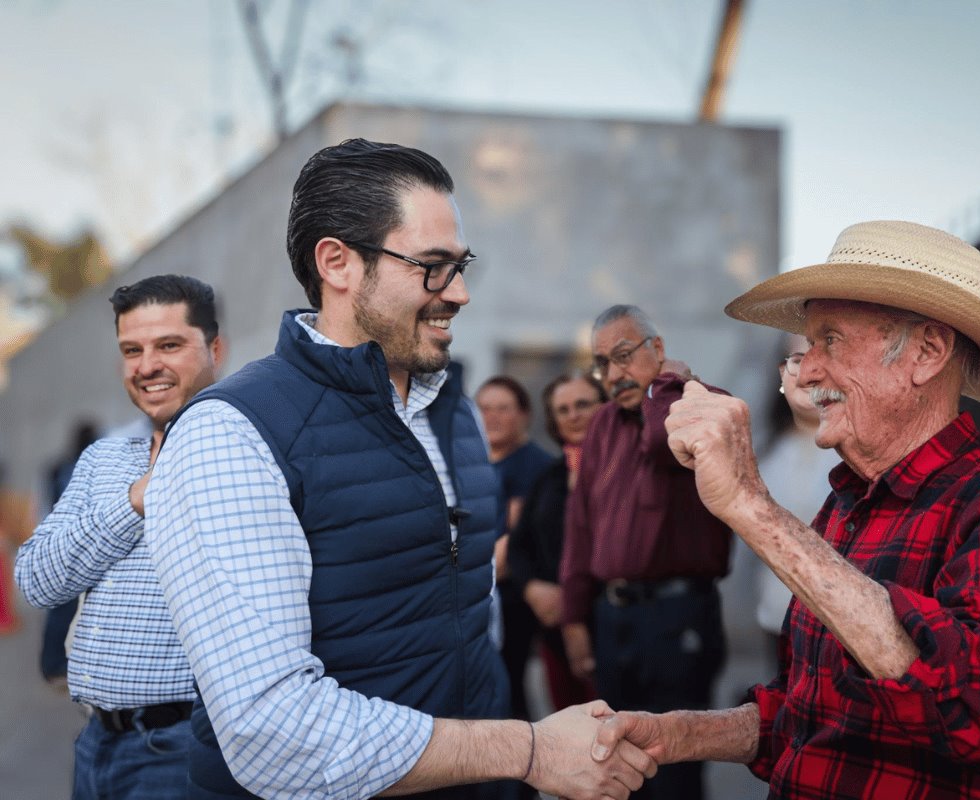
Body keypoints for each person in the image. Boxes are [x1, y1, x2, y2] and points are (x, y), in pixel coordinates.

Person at [144, 139, 653, 800]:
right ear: (338, 263)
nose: (461, 293)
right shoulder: (230, 435)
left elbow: (470, 616)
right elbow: (271, 730)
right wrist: (528, 750)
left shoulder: (457, 411)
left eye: (462, 265)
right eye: (433, 267)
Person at [591, 221, 980, 800]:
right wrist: (679, 733)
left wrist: (751, 506)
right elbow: (814, 713)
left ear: (928, 352)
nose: (805, 372)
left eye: (829, 340)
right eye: (807, 347)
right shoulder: (847, 504)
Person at [15, 274, 226, 799]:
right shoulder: (104, 459)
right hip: (93, 744)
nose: (147, 365)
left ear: (215, 349)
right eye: (132, 349)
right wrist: (135, 499)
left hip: (181, 749)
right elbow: (37, 582)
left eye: (169, 345)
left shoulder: (242, 453)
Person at [559, 304, 733, 799]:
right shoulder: (602, 426)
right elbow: (580, 525)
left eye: (624, 356)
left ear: (658, 350)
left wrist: (665, 386)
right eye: (602, 364)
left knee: (675, 770)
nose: (614, 375)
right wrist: (574, 620)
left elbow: (663, 443)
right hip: (614, 619)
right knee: (617, 763)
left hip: (679, 618)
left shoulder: (702, 401)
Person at [507, 373, 606, 712]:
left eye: (583, 405)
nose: (573, 415)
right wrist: (533, 588)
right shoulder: (548, 476)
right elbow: (520, 547)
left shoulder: (627, 472)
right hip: (554, 635)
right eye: (562, 410)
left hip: (610, 632)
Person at [750, 336, 843, 672]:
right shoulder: (766, 447)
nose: (808, 372)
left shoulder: (853, 448)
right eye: (796, 359)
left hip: (837, 622)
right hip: (776, 614)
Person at [475, 375, 553, 729]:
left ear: (524, 415)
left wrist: (465, 576)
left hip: (506, 598)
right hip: (480, 590)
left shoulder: (532, 465)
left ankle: (519, 779)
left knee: (507, 695)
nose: (492, 416)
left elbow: (513, 539)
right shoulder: (475, 462)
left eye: (503, 408)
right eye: (485, 408)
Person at [38, 420, 101, 686]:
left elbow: (45, 507)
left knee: (60, 608)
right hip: (77, 546)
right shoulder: (86, 470)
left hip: (59, 544)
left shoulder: (58, 467)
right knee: (66, 609)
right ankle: (55, 664)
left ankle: (51, 664)